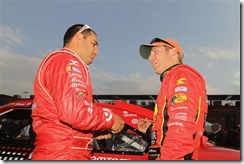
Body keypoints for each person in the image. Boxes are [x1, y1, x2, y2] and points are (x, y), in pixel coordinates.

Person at [31, 24, 124, 160]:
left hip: (63, 152)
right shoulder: (66, 60)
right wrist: (110, 118)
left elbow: (65, 116)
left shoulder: (62, 62)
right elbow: (74, 111)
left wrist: (91, 132)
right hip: (63, 154)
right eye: (94, 44)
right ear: (79, 37)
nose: (97, 51)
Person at [137, 37, 208, 160]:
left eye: (155, 51)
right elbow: (174, 126)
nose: (150, 57)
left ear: (173, 52)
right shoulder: (172, 78)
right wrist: (150, 129)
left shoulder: (181, 75)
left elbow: (181, 126)